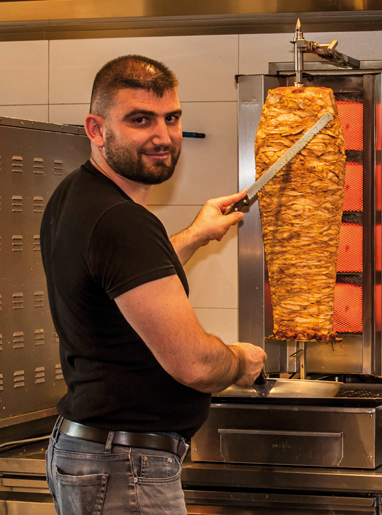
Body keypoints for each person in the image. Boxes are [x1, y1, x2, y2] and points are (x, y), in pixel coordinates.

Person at [41, 54, 267, 515]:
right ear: (96, 129)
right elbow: (194, 364)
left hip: (99, 452)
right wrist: (241, 361)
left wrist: (195, 235)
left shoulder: (78, 194)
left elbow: (125, 279)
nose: (163, 136)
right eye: (140, 120)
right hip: (124, 464)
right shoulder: (123, 221)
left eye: (172, 118)